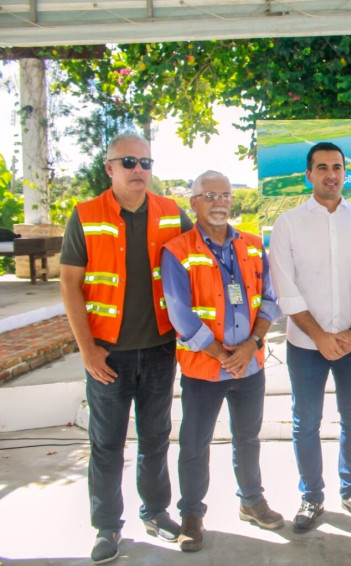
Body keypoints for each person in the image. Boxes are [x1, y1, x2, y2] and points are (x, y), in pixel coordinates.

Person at [59, 132, 192, 564]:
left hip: (158, 350)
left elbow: (207, 249)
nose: (139, 170)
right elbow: (70, 285)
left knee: (155, 438)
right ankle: (107, 527)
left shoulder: (172, 213)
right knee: (107, 444)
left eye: (146, 162)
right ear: (109, 168)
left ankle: (155, 511)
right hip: (106, 355)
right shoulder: (85, 215)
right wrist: (87, 351)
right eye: (129, 162)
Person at [161, 171, 284, 552]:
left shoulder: (251, 244)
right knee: (195, 444)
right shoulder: (177, 250)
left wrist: (251, 345)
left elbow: (270, 300)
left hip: (250, 365)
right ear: (193, 202)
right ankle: (192, 516)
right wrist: (221, 354)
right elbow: (179, 312)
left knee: (248, 438)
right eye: (210, 195)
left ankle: (251, 501)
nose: (219, 202)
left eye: (226, 195)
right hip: (203, 368)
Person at [269, 142, 351, 531]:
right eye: (322, 167)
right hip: (305, 345)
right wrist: (319, 336)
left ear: (345, 173)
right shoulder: (288, 224)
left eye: (337, 167)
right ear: (309, 175)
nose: (331, 174)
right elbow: (286, 290)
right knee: (306, 421)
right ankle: (311, 496)